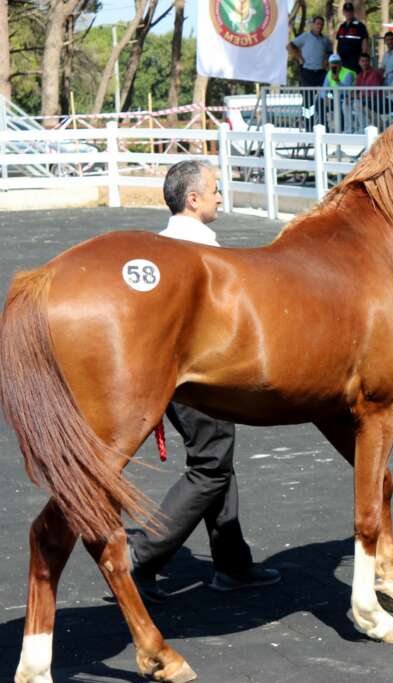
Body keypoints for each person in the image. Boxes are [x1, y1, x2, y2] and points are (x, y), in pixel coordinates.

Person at [130, 161, 281, 603]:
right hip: (200, 373)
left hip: (170, 374)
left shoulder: (161, 249)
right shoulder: (203, 254)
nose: (220, 196)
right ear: (193, 200)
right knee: (211, 466)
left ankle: (232, 566)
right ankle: (141, 556)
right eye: (214, 190)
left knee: (216, 461)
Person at [289, 16, 331, 89]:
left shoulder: (325, 40)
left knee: (322, 96)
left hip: (321, 72)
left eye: (321, 24)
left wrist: (326, 62)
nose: (320, 26)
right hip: (307, 71)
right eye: (317, 24)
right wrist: (300, 58)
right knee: (308, 96)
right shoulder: (306, 36)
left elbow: (329, 52)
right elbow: (289, 46)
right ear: (313, 24)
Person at [335, 2, 369, 72]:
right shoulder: (342, 26)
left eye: (350, 11)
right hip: (342, 61)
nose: (348, 13)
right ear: (343, 12)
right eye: (346, 11)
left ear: (353, 12)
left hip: (355, 61)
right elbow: (337, 43)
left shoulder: (360, 26)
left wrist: (362, 60)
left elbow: (365, 44)